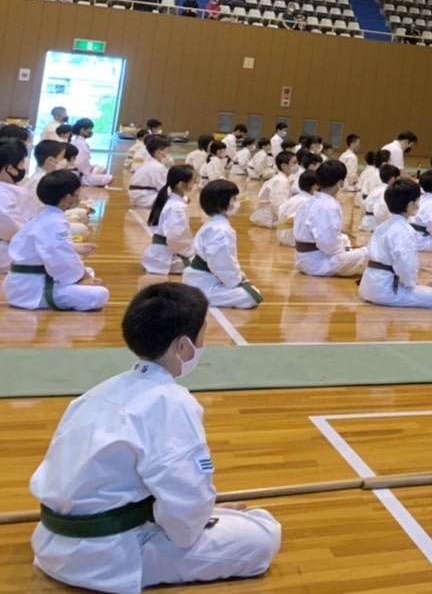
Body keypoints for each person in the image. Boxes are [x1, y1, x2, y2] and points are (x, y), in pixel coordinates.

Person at [28, 282, 282, 591]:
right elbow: (185, 513)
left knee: (203, 510)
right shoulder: (172, 403)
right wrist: (206, 517)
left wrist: (210, 511)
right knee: (262, 535)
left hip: (52, 542)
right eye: (202, 335)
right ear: (183, 346)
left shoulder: (101, 391)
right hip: (108, 556)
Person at [4, 171, 108, 311]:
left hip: (22, 284)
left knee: (87, 271)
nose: (78, 197)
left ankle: (76, 280)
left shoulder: (46, 216)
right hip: (34, 289)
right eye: (76, 194)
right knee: (100, 295)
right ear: (67, 198)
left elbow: (56, 251)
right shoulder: (54, 222)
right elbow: (59, 256)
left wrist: (75, 251)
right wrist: (82, 277)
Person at [360, 178, 432, 310]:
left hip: (367, 286)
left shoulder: (383, 225)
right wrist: (414, 284)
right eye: (417, 202)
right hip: (387, 291)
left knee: (422, 288)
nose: (418, 206)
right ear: (411, 204)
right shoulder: (404, 230)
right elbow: (405, 265)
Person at [184, 181, 262, 310]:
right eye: (234, 199)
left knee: (246, 287)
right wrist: (236, 280)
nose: (237, 203)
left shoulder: (214, 224)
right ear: (222, 203)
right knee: (251, 295)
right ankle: (201, 297)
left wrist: (237, 276)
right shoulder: (221, 229)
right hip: (204, 282)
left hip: (201, 277)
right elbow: (220, 262)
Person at [292, 161, 367, 278]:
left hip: (304, 259)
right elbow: (327, 243)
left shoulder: (309, 201)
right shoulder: (328, 206)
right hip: (319, 263)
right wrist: (344, 250)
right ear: (340, 183)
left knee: (345, 240)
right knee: (369, 254)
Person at [142, 166, 196, 276]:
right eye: (192, 182)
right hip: (167, 259)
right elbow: (176, 237)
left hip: (156, 255)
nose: (194, 185)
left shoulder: (168, 198)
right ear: (181, 185)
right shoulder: (178, 208)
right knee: (206, 265)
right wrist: (190, 252)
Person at [0, 139, 32, 273]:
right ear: (10, 169)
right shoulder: (2, 194)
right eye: (22, 164)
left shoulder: (8, 189)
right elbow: (11, 228)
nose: (23, 168)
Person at [249, 152, 296, 229]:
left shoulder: (281, 178)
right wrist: (286, 221)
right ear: (284, 166)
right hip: (270, 218)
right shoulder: (281, 181)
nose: (296, 166)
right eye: (294, 163)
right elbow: (277, 204)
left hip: (270, 215)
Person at [129, 135, 174, 209]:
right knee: (177, 201)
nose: (167, 155)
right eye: (167, 151)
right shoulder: (157, 167)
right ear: (159, 152)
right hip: (146, 198)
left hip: (141, 195)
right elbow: (163, 188)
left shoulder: (150, 163)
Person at [70, 119, 113, 187]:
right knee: (110, 178)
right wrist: (89, 171)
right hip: (81, 175)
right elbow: (80, 163)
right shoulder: (81, 144)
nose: (91, 131)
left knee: (101, 168)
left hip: (78, 172)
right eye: (89, 129)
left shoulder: (75, 141)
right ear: (82, 130)